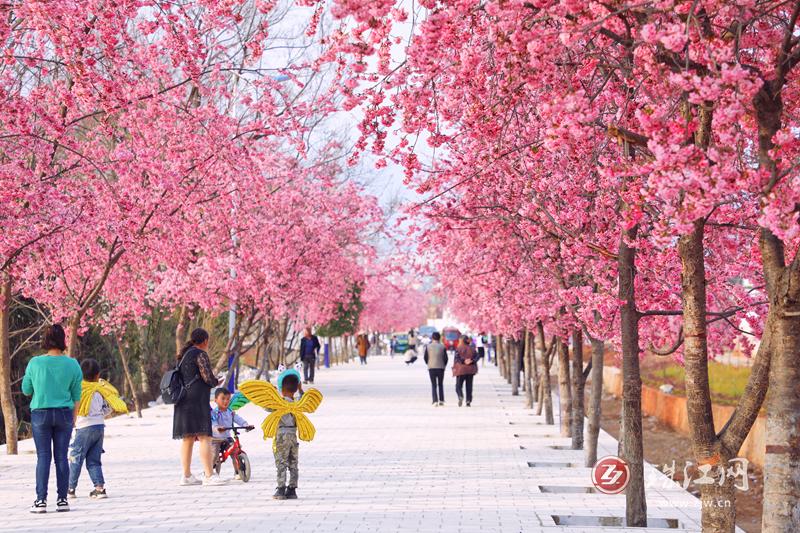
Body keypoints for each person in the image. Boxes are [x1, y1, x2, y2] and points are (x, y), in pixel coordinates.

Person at [22, 324, 83, 513]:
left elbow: (26, 390)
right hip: (64, 413)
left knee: (43, 457)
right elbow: (76, 396)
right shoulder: (72, 364)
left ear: (45, 340)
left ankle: (41, 501)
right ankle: (62, 500)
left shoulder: (35, 363)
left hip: (41, 413)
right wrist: (73, 419)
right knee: (61, 458)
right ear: (63, 340)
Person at [173, 328, 226, 487]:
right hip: (197, 400)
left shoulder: (183, 355)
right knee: (205, 437)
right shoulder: (200, 354)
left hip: (182, 400)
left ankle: (186, 475)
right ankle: (209, 475)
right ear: (205, 341)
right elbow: (208, 378)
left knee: (187, 438)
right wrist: (217, 382)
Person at [67, 358, 126, 500]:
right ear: (98, 375)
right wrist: (99, 415)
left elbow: (73, 407)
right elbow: (108, 408)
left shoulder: (79, 389)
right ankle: (99, 488)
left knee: (76, 458)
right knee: (94, 460)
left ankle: (70, 489)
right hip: (99, 427)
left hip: (83, 428)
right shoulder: (101, 390)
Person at [272, 370, 304, 500]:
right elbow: (305, 399)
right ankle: (292, 489)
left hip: (281, 435)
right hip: (293, 435)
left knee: (281, 461)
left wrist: (272, 393)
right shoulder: (298, 403)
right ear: (296, 389)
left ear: (281, 389)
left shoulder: (278, 402)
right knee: (293, 462)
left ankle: (280, 489)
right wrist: (301, 390)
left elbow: (266, 407)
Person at [210, 388, 252, 479]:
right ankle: (210, 472)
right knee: (214, 455)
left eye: (228, 399)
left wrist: (246, 425)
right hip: (215, 438)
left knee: (235, 451)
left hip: (227, 437)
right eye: (223, 399)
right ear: (216, 400)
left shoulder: (230, 412)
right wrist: (218, 428)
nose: (226, 401)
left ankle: (237, 472)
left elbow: (238, 419)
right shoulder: (214, 413)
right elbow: (213, 423)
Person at [453, 335, 479, 407]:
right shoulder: (472, 348)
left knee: (458, 386)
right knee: (469, 386)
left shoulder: (458, 348)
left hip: (461, 370)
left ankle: (460, 396)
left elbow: (457, 358)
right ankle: (468, 401)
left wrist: (464, 361)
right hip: (470, 370)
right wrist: (472, 361)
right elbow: (477, 356)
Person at [424, 332, 448, 406]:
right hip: (441, 367)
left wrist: (429, 363)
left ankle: (435, 401)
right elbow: (446, 358)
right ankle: (441, 400)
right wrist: (444, 365)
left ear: (432, 338)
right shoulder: (442, 346)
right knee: (440, 384)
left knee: (433, 384)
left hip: (431, 367)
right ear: (439, 338)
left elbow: (425, 358)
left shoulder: (428, 347)